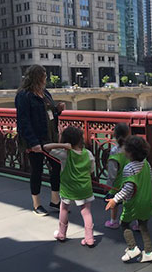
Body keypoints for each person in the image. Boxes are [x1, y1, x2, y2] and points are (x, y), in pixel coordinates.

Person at [15, 64, 64, 216]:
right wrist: (33, 142)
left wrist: (57, 110)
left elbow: (49, 113)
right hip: (35, 139)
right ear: (37, 77)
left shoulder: (45, 93)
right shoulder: (24, 95)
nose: (46, 79)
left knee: (56, 166)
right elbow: (23, 121)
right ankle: (37, 204)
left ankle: (55, 200)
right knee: (36, 171)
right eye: (43, 76)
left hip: (50, 137)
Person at [105, 136, 152, 263]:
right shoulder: (146, 164)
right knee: (143, 225)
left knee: (124, 224)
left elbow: (128, 188)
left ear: (130, 153)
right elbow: (149, 179)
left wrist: (114, 200)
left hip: (133, 202)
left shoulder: (129, 168)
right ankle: (149, 252)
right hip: (146, 200)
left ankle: (132, 248)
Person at [44, 126, 96, 247]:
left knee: (64, 208)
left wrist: (63, 146)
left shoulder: (65, 154)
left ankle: (62, 233)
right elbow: (91, 170)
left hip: (68, 187)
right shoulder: (88, 154)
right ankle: (89, 238)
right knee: (86, 212)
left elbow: (46, 148)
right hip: (84, 187)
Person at [104, 123, 132, 230]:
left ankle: (113, 221)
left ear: (115, 135)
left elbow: (112, 173)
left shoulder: (114, 151)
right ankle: (136, 223)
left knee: (114, 201)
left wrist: (108, 185)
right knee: (129, 201)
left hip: (117, 183)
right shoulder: (131, 149)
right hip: (131, 181)